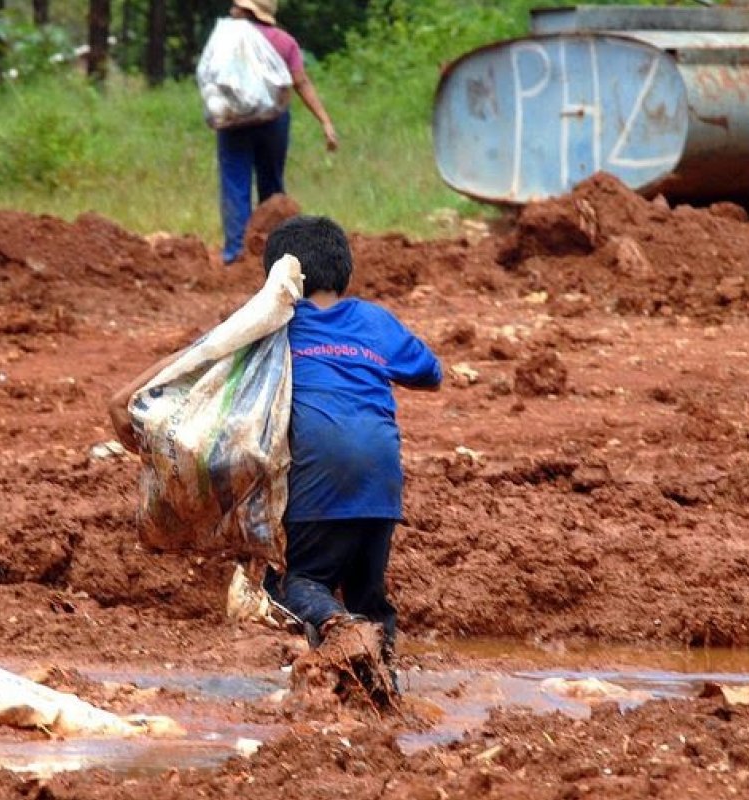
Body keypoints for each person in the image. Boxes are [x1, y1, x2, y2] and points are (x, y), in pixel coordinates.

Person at [108, 215, 442, 695]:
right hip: (381, 485)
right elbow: (430, 373)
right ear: (344, 271)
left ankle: (341, 633)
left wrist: (129, 395)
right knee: (369, 596)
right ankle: (380, 688)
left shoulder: (274, 326)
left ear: (277, 280)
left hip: (316, 481)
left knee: (296, 585)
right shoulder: (374, 321)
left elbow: (202, 356)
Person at [215, 0, 338, 265]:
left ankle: (236, 253)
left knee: (235, 184)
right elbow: (301, 83)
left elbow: (212, 76)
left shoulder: (227, 38)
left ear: (247, 10)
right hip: (273, 123)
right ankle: (276, 253)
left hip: (233, 121)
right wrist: (325, 121)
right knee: (272, 186)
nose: (232, 9)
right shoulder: (284, 41)